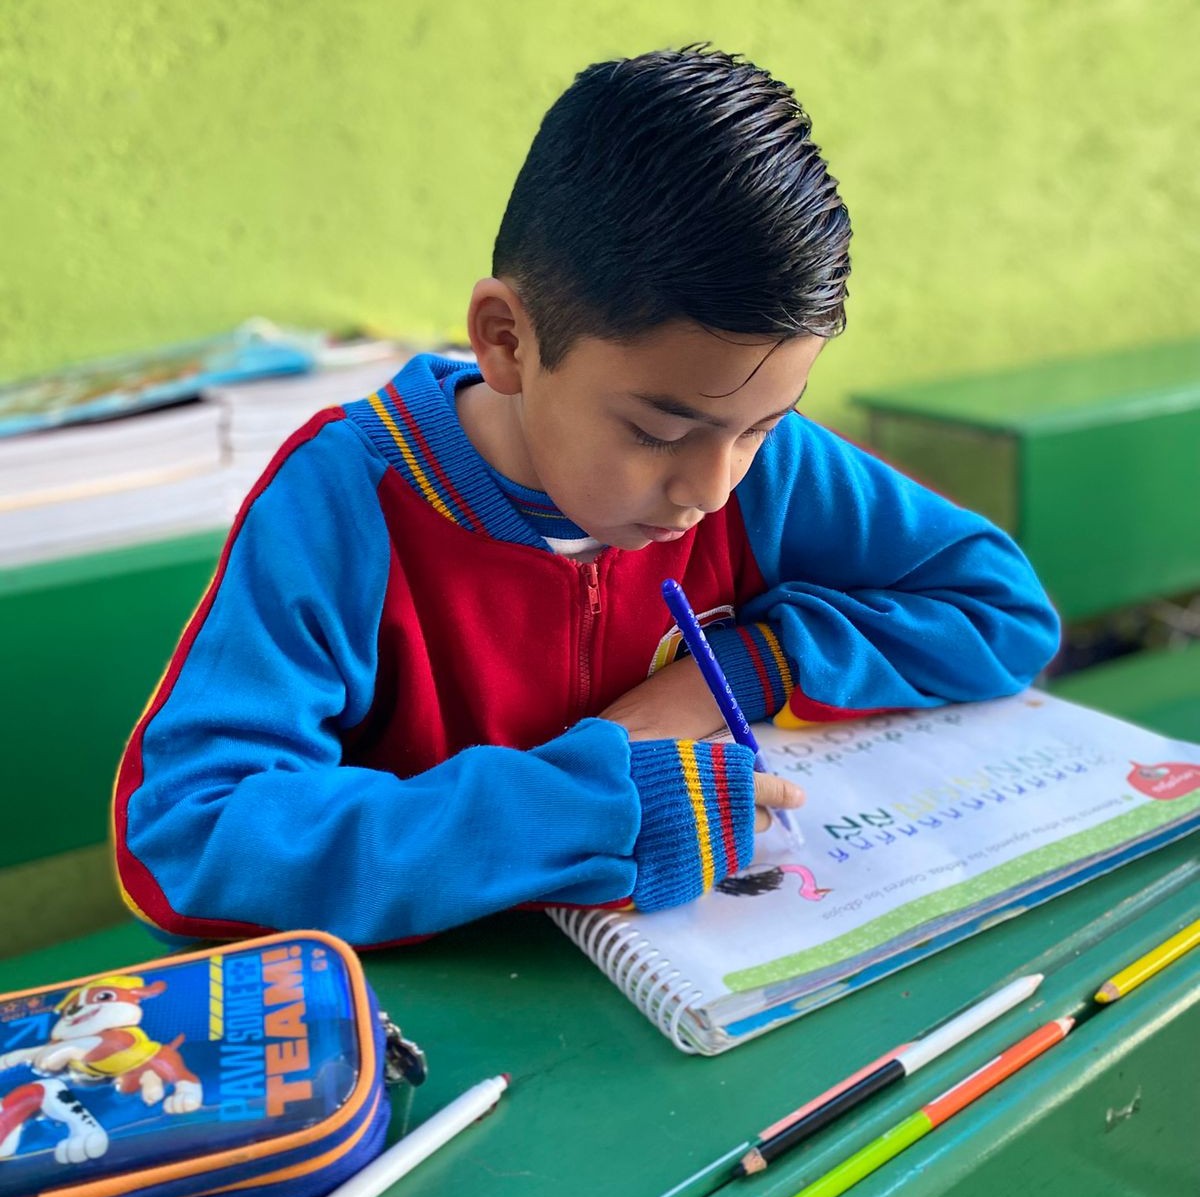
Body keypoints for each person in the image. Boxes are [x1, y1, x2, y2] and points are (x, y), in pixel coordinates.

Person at [113, 46, 1059, 947]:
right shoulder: (346, 502)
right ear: (506, 340)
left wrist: (740, 671)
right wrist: (583, 812)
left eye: (764, 426)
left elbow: (1002, 611)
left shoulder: (758, 463)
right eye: (657, 433)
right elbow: (185, 835)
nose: (710, 488)